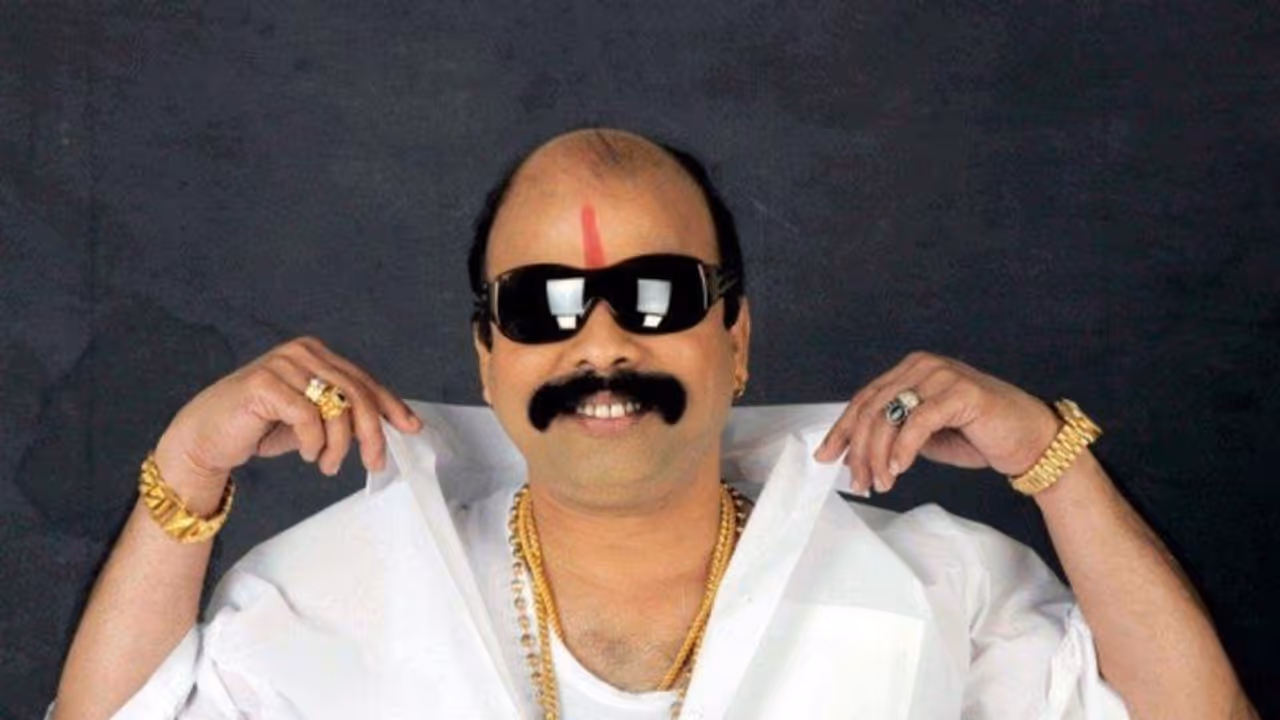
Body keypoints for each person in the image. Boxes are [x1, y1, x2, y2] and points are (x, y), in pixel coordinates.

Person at [50, 128, 1257, 719]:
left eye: (658, 294)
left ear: (735, 340)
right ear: (488, 357)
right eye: (544, 304)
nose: (601, 345)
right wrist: (185, 469)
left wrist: (1052, 464)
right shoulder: (325, 594)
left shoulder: (931, 585)